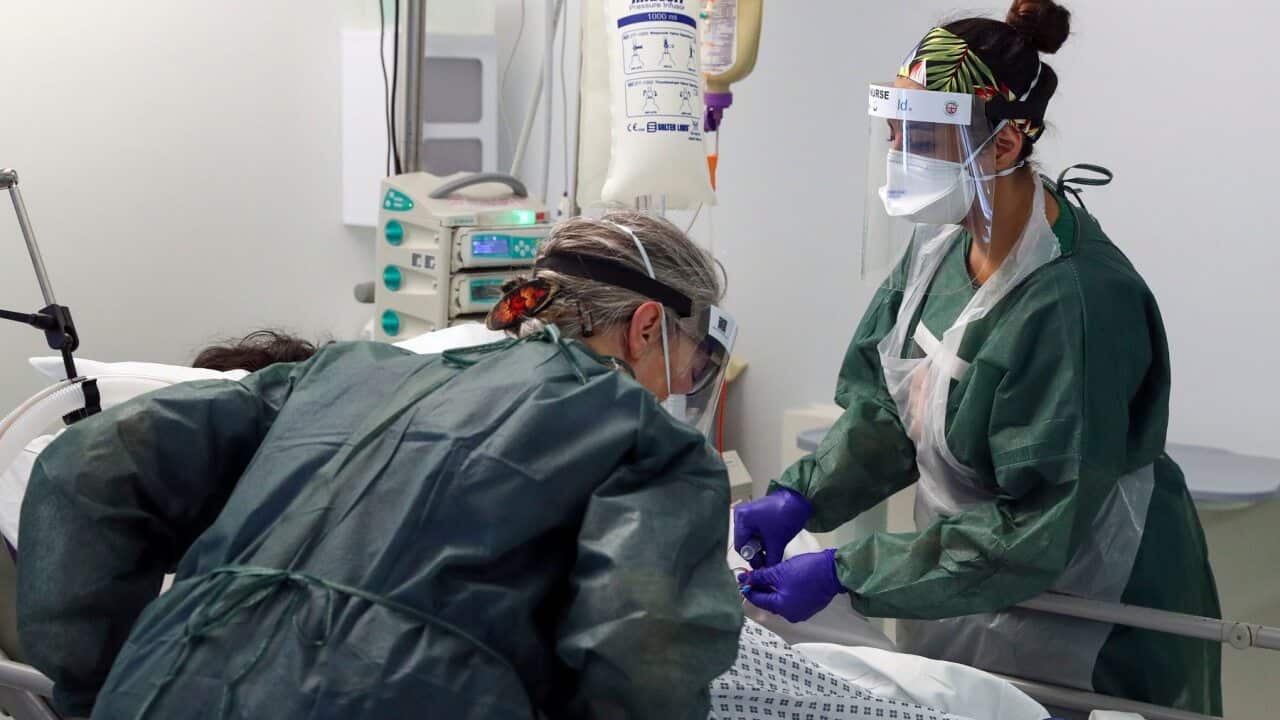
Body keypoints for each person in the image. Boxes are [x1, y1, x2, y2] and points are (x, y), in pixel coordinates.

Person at [18, 211, 744, 719]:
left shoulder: (341, 373)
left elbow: (89, 464)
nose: (680, 387)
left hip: (159, 685)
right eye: (691, 361)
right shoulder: (642, 438)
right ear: (648, 326)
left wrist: (94, 689)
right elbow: (645, 653)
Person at [732, 1, 1222, 715]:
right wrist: (802, 495)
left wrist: (849, 570)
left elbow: (1036, 526)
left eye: (924, 135)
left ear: (1004, 145)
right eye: (896, 129)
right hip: (965, 576)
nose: (901, 153)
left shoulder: (1076, 301)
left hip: (1090, 606)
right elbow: (888, 409)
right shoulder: (941, 248)